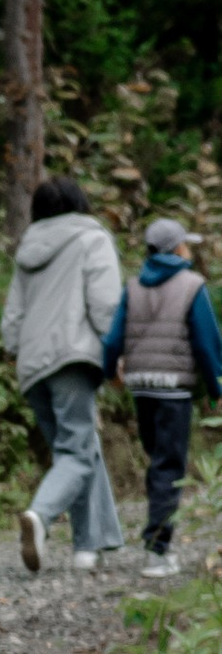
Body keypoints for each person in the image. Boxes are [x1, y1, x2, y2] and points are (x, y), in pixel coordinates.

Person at [3, 176, 124, 572]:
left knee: (75, 453)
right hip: (72, 356)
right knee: (76, 452)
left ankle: (88, 547)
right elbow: (105, 303)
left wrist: (13, 351)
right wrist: (117, 351)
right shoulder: (92, 238)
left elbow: (13, 315)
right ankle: (40, 516)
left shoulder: (28, 248)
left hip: (32, 363)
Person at [103, 214, 221, 578]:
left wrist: (112, 373)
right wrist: (217, 388)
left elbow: (112, 340)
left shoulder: (134, 285)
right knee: (170, 466)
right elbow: (206, 343)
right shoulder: (191, 284)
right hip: (173, 389)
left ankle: (157, 539)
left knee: (158, 461)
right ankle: (158, 550)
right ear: (177, 248)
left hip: (141, 386)